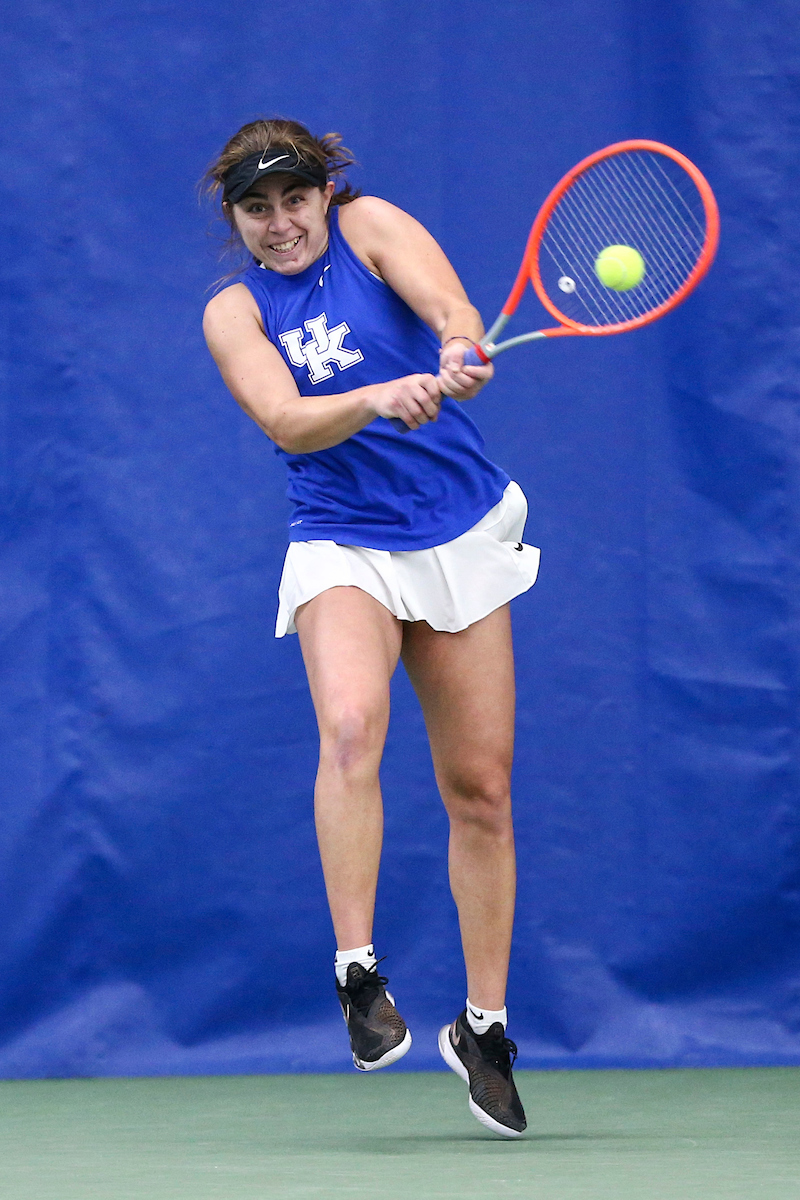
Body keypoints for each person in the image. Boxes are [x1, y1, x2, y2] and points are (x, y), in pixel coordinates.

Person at [202, 118, 540, 1138]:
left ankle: (482, 1028)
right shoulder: (232, 311)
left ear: (323, 193)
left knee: (479, 791)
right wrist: (374, 396)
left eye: (294, 200)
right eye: (256, 210)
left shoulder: (374, 226)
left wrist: (453, 347)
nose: (279, 224)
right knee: (350, 728)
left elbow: (449, 308)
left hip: (461, 530)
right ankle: (358, 977)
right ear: (236, 220)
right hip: (342, 540)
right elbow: (285, 421)